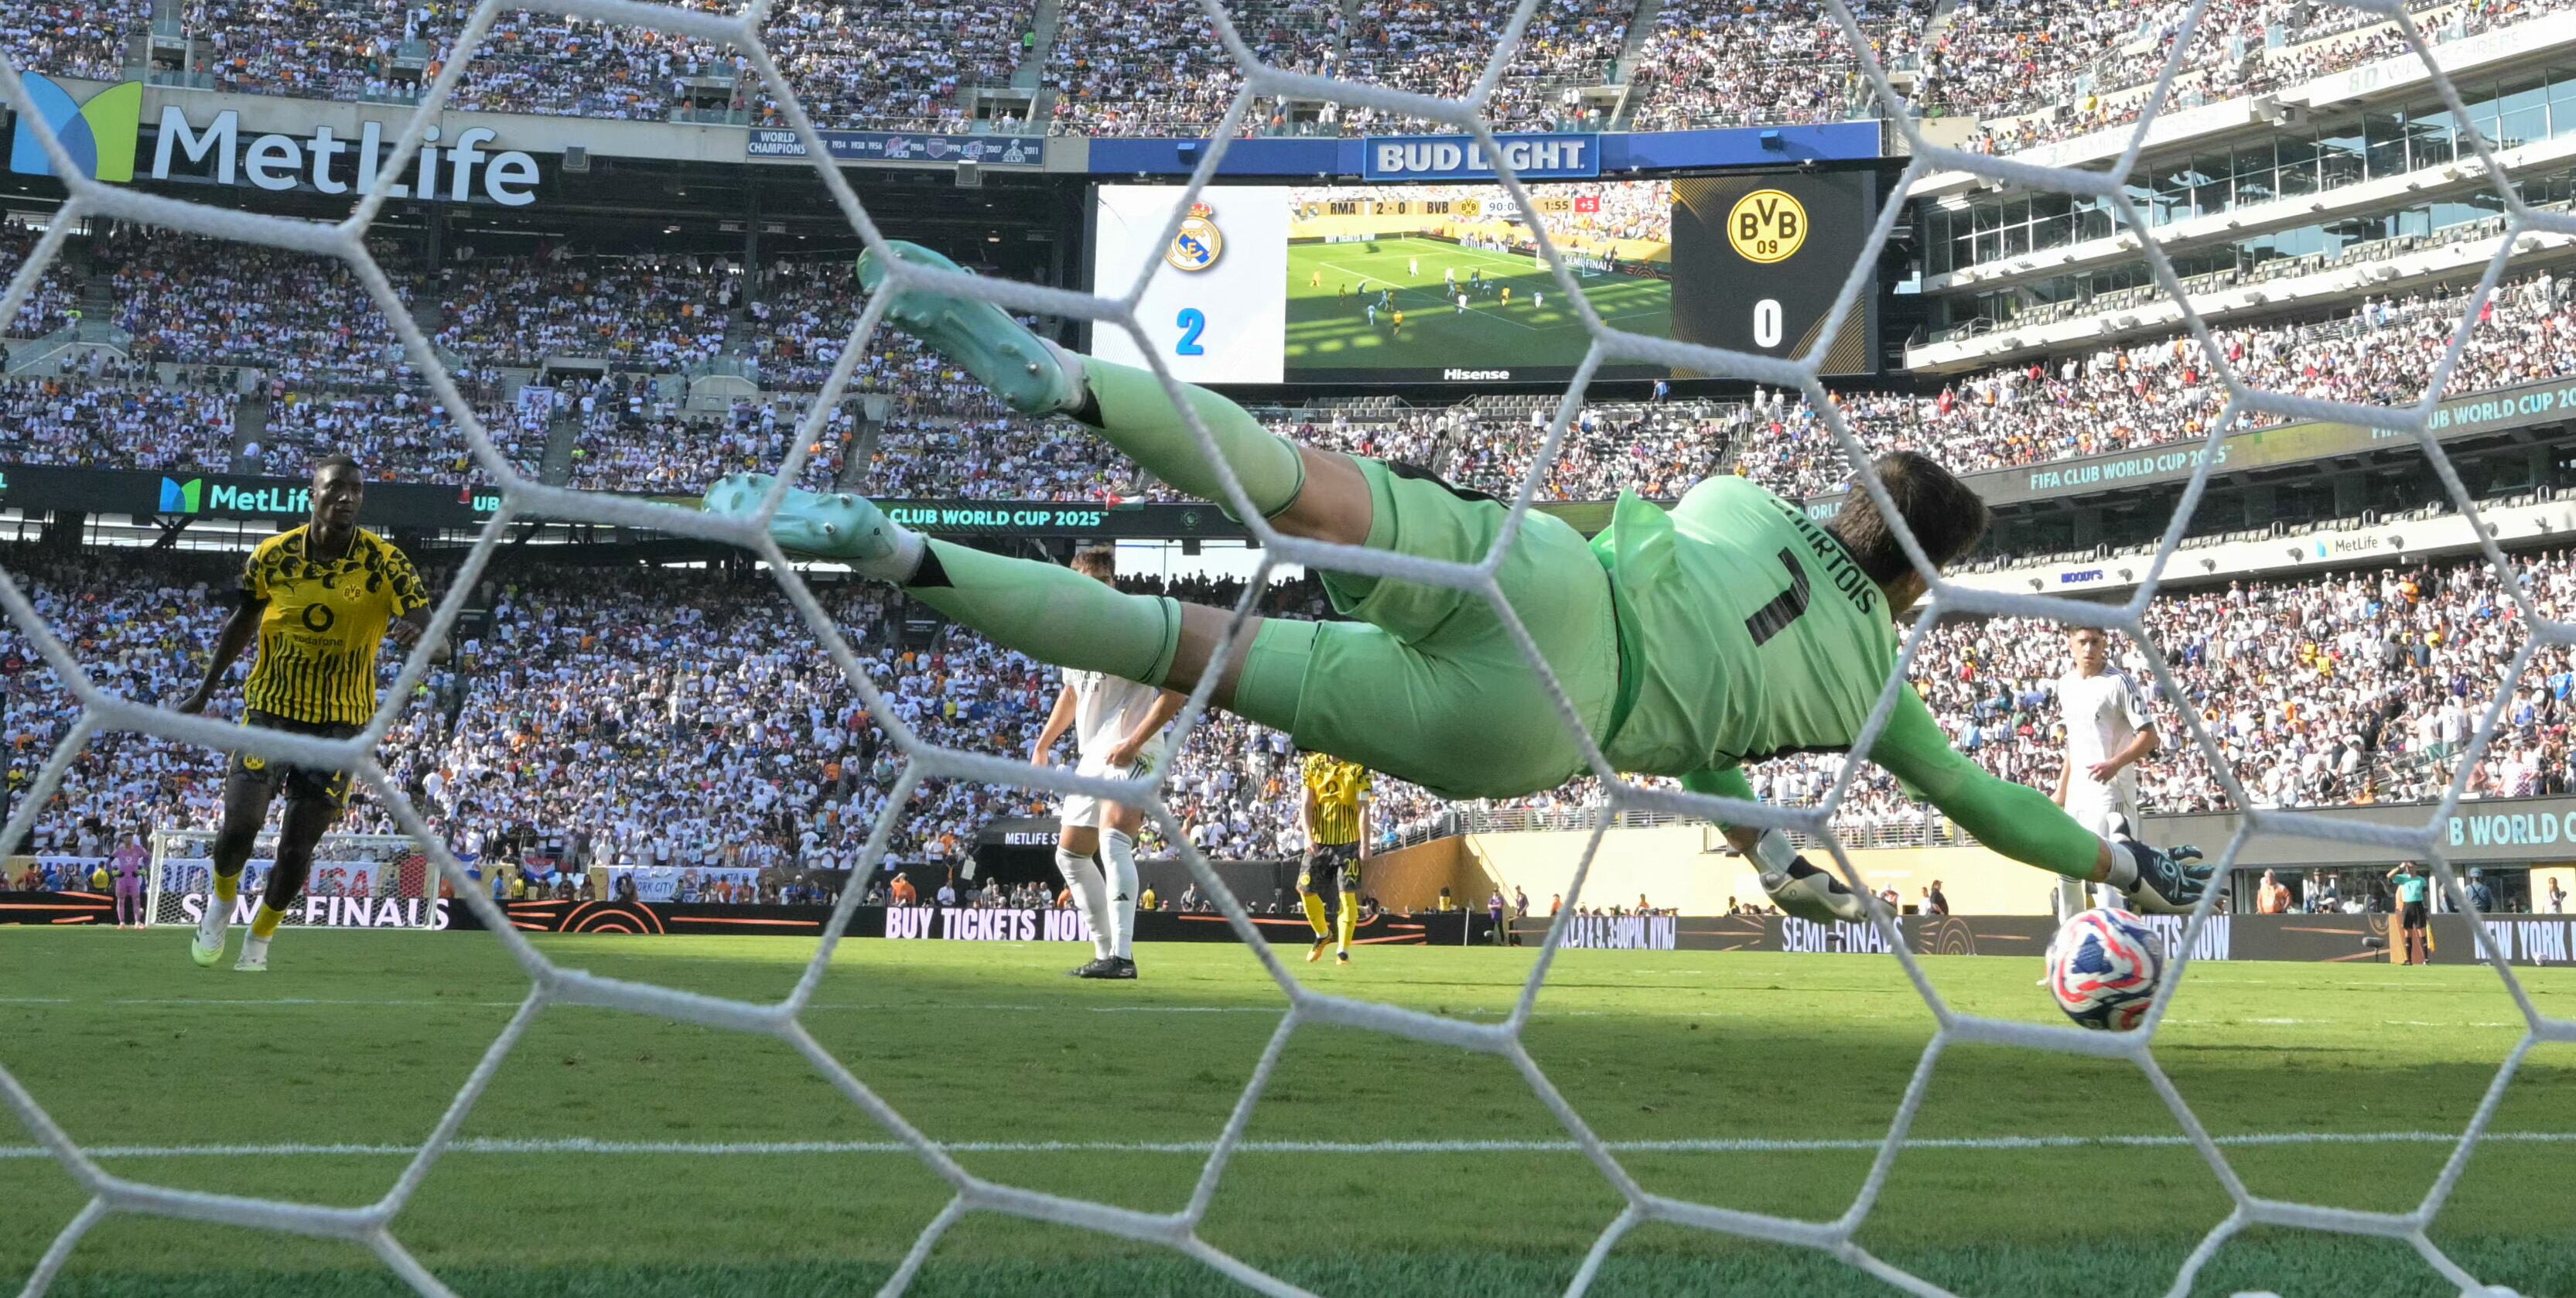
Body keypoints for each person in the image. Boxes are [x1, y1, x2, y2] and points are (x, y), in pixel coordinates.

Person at [712, 242, 2212, 926]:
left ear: (1848, 499)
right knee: (1195, 651)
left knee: (1294, 486)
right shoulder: (1878, 688)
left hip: (1549, 576)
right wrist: (2122, 868)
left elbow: (1664, 542)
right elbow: (1987, 810)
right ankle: (901, 555)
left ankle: (1057, 374)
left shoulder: (1746, 495)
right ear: (1928, 581)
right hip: (1544, 727)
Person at [178, 456, 432, 972]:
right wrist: (205, 690)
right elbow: (243, 620)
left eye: (357, 490)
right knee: (239, 828)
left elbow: (437, 631)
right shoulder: (272, 556)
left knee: (296, 850)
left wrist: (424, 637)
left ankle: (261, 938)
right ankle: (222, 903)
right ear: (311, 494)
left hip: (339, 728)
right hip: (270, 714)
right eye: (336, 487)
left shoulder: (386, 563)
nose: (348, 497)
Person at [1029, 548, 1184, 982]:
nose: (1097, 590)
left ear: (1114, 583)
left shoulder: (1135, 625)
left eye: (1104, 582)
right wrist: (1044, 744)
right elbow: (1073, 694)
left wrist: (1134, 743)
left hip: (1136, 747)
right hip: (1094, 753)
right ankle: (1104, 954)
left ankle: (1122, 956)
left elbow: (1178, 690)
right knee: (1071, 856)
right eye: (1088, 582)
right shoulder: (1071, 638)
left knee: (1114, 841)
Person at [2048, 627, 2159, 923]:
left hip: (2112, 791)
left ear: (2104, 644)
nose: (2089, 648)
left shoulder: (2118, 682)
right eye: (2082, 642)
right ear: (2070, 645)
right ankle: (2069, 946)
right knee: (2066, 869)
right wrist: (2061, 790)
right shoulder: (2066, 684)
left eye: (2095, 642)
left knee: (2106, 876)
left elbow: (2150, 737)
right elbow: (2075, 741)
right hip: (2077, 792)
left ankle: (2114, 951)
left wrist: (2115, 764)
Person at [1299, 751, 1370, 964]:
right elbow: (1306, 803)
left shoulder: (1359, 767)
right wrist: (1308, 836)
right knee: (1305, 890)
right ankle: (1323, 934)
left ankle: (1343, 951)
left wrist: (1365, 845)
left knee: (1347, 897)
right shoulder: (1311, 764)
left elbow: (1364, 808)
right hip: (1319, 842)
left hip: (1349, 843)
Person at [2388, 860, 2431, 965]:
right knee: (2408, 932)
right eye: (2407, 867)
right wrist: (2400, 867)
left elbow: (2426, 895)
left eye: (2411, 867)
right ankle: (2409, 960)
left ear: (2416, 867)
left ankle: (2426, 959)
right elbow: (2389, 876)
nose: (2408, 869)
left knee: (2422, 931)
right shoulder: (2403, 879)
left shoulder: (2421, 880)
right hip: (2407, 906)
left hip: (2418, 905)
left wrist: (2427, 908)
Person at [110, 833, 148, 928]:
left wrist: (143, 870)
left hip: (133, 878)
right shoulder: (119, 850)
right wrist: (113, 872)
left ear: (132, 839)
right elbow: (108, 861)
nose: (128, 840)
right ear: (123, 840)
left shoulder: (138, 849)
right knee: (121, 900)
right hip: (122, 879)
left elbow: (148, 858)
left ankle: (137, 922)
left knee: (136, 899)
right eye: (126, 838)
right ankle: (122, 923)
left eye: (130, 838)